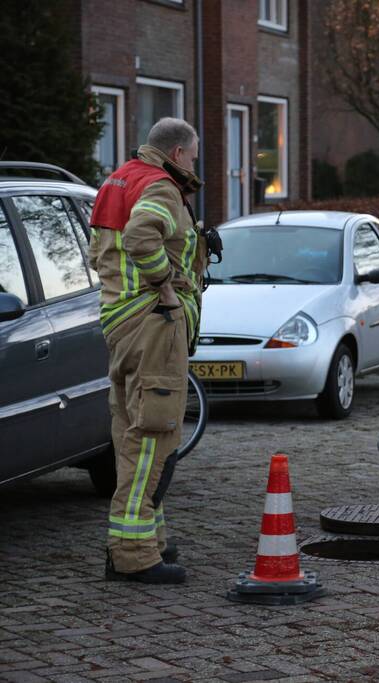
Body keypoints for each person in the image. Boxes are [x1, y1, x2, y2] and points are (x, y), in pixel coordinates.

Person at [88, 118, 207, 584]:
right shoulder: (159, 188)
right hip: (153, 322)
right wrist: (168, 288)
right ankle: (133, 555)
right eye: (193, 157)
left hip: (119, 322)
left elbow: (104, 253)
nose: (193, 165)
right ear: (177, 154)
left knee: (131, 433)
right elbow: (141, 239)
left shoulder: (119, 180)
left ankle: (148, 539)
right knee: (153, 435)